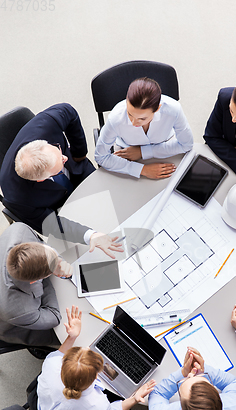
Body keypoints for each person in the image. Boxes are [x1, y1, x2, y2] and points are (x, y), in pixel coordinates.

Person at [36, 306, 155, 410]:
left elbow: (59, 355)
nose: (87, 347)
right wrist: (135, 399)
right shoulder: (97, 406)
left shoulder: (52, 364)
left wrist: (72, 337)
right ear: (96, 377)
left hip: (42, 408)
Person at [0, 103, 96, 234]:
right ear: (41, 180)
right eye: (59, 166)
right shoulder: (18, 198)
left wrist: (79, 153)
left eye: (58, 150)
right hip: (55, 205)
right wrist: (89, 235)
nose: (64, 158)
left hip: (77, 169)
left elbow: (69, 111)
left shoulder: (46, 125)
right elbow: (51, 226)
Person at [95, 77, 194, 179]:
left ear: (157, 109)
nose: (133, 122)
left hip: (165, 145)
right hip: (127, 151)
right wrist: (142, 169)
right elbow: (100, 156)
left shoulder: (173, 110)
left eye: (142, 118)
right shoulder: (116, 118)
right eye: (130, 114)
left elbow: (186, 145)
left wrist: (142, 152)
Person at [0, 222, 77, 347]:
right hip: (13, 326)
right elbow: (54, 316)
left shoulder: (20, 230)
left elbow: (41, 245)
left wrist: (57, 259)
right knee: (69, 337)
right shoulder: (19, 311)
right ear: (34, 280)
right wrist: (48, 273)